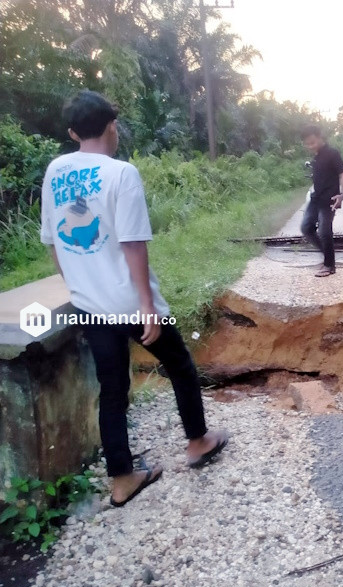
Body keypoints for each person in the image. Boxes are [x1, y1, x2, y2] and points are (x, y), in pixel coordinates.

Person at [40, 90, 227, 508]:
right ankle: (198, 442)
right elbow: (133, 245)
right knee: (178, 364)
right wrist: (147, 306)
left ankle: (122, 479)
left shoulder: (55, 171)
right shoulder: (121, 174)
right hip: (130, 303)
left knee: (112, 388)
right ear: (113, 126)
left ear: (72, 132)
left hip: (91, 306)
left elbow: (53, 242)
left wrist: (78, 284)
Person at [300, 125, 343, 277]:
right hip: (316, 199)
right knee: (306, 228)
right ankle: (328, 256)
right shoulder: (316, 157)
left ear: (320, 137)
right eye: (307, 144)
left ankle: (329, 265)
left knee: (324, 231)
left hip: (330, 200)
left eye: (312, 142)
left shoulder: (332, 153)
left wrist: (342, 194)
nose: (310, 146)